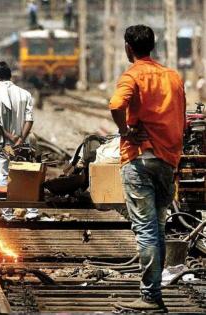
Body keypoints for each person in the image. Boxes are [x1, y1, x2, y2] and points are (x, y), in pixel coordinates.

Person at [109, 25, 185, 312]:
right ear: (152, 46)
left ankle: (150, 296)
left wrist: (125, 130)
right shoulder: (173, 76)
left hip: (140, 159)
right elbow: (181, 119)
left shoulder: (133, 75)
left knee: (146, 229)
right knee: (159, 226)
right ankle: (156, 291)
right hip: (168, 160)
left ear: (129, 47)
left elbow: (116, 104)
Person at [0, 61, 38, 221]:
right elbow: (29, 119)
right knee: (27, 174)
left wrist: (10, 136)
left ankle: (8, 213)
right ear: (10, 75)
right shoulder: (25, 94)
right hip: (23, 144)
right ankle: (32, 212)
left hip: (3, 144)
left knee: (3, 175)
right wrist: (21, 138)